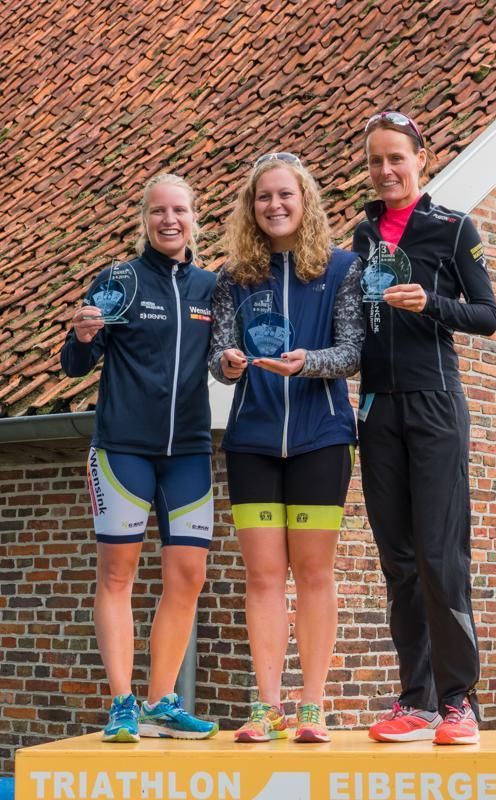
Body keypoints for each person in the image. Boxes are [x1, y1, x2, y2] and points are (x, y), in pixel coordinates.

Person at [353, 111, 496, 746]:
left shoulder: (454, 227)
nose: (386, 170)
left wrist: (432, 304)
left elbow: (487, 314)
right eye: (376, 161)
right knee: (399, 561)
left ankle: (458, 701)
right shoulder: (361, 237)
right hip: (376, 409)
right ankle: (416, 701)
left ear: (421, 159)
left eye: (397, 158)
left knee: (441, 556)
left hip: (436, 404)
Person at [209, 152, 364, 743]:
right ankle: (268, 706)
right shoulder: (233, 278)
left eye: (285, 195)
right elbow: (219, 359)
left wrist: (307, 363)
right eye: (263, 197)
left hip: (321, 438)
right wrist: (227, 364)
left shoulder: (342, 268)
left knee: (315, 573)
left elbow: (352, 352)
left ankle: (312, 706)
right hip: (252, 440)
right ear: (251, 207)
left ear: (305, 201)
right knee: (264, 576)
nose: (274, 205)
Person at [60, 173, 218, 743]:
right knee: (117, 573)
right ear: (144, 219)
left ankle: (160, 703)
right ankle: (122, 703)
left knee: (189, 576)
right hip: (123, 449)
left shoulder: (212, 288)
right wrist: (81, 336)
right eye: (158, 211)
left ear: (194, 218)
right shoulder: (119, 280)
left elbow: (227, 356)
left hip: (189, 451)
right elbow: (75, 365)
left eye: (179, 210)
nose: (169, 220)